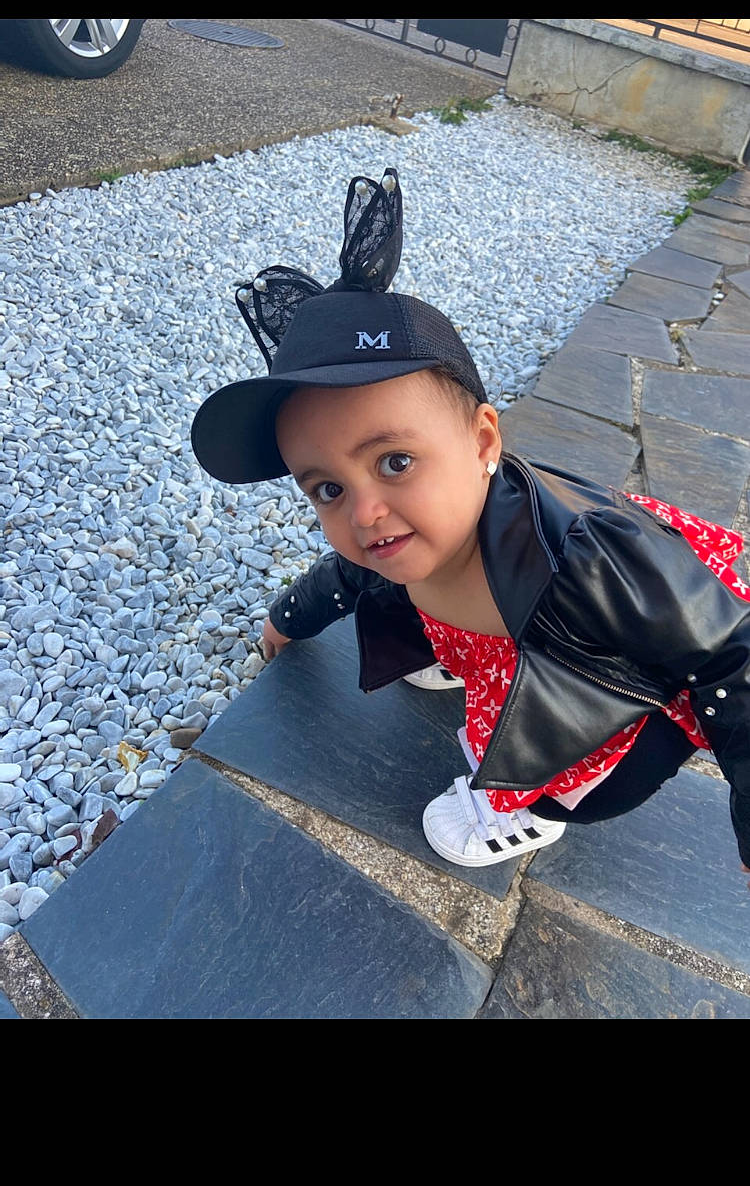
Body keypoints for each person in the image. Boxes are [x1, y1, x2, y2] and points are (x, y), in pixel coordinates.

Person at [191, 168, 750, 880]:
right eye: (327, 488)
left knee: (595, 780)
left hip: (611, 690)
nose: (364, 511)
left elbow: (730, 655)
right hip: (505, 640)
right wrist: (287, 619)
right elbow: (346, 577)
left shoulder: (585, 561)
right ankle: (469, 656)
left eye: (395, 461)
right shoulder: (398, 537)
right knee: (405, 582)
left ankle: (533, 809)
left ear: (484, 442)